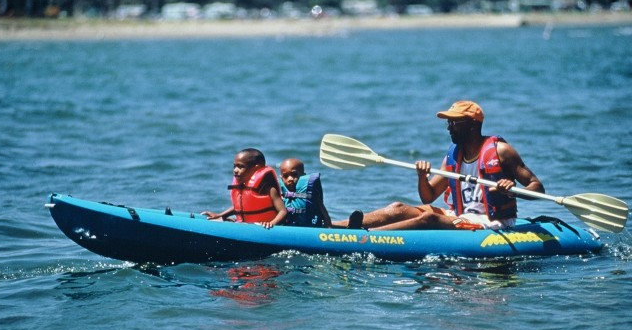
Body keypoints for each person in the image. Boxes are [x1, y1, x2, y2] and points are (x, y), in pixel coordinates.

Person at [336, 100, 545, 231]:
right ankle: (335, 227)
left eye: (454, 122)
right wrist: (421, 176)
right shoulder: (454, 156)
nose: (448, 127)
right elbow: (428, 197)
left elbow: (537, 187)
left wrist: (512, 191)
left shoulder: (501, 151)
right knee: (398, 207)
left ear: (472, 125)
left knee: (429, 219)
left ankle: (367, 237)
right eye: (448, 122)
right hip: (462, 217)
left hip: (491, 223)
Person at [202, 148, 287, 229]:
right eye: (234, 166)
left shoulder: (268, 188)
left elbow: (283, 211)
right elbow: (240, 207)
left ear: (256, 168)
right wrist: (221, 215)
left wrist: (271, 223)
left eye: (240, 166)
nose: (235, 170)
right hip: (245, 225)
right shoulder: (243, 185)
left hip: (264, 227)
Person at [279, 158, 332, 228]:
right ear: (281, 177)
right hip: (287, 227)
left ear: (303, 175)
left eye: (294, 175)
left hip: (309, 227)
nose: (290, 179)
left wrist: (328, 227)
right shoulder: (279, 193)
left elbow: (322, 210)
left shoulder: (311, 193)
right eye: (286, 176)